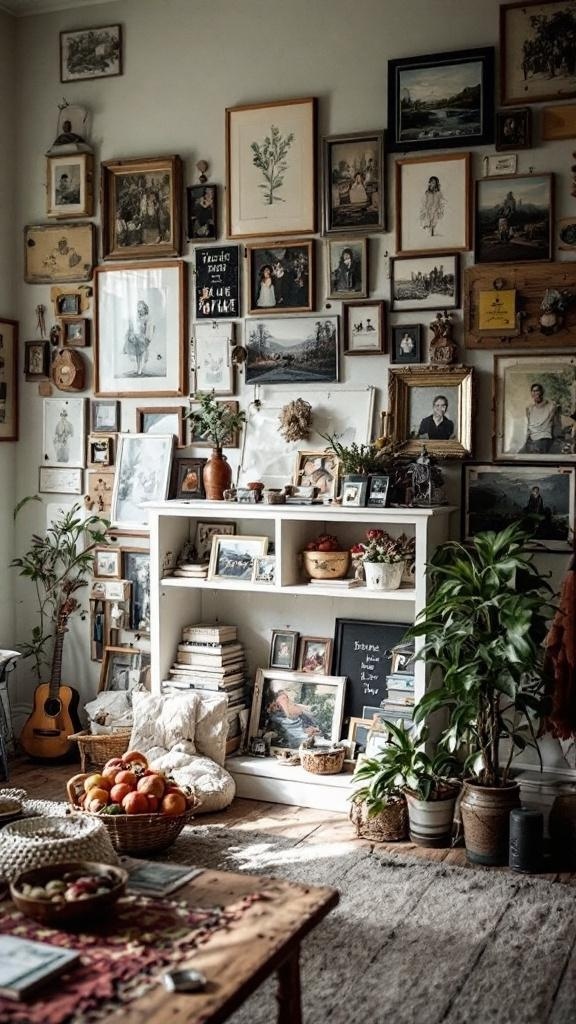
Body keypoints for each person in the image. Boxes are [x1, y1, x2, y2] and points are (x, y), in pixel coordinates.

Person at [519, 382, 562, 454]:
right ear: (531, 393)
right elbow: (528, 425)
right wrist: (526, 439)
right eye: (533, 391)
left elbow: (556, 423)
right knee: (519, 454)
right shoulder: (529, 408)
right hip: (531, 439)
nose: (536, 393)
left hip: (544, 438)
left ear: (542, 392)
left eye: (537, 391)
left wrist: (557, 437)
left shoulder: (551, 406)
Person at [123, 299, 153, 375]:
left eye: (140, 307)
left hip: (143, 338)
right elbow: (133, 326)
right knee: (137, 354)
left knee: (141, 353)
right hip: (136, 337)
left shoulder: (147, 317)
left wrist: (147, 338)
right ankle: (138, 368)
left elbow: (149, 329)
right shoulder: (137, 317)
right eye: (138, 307)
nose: (138, 309)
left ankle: (140, 369)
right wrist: (131, 334)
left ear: (144, 308)